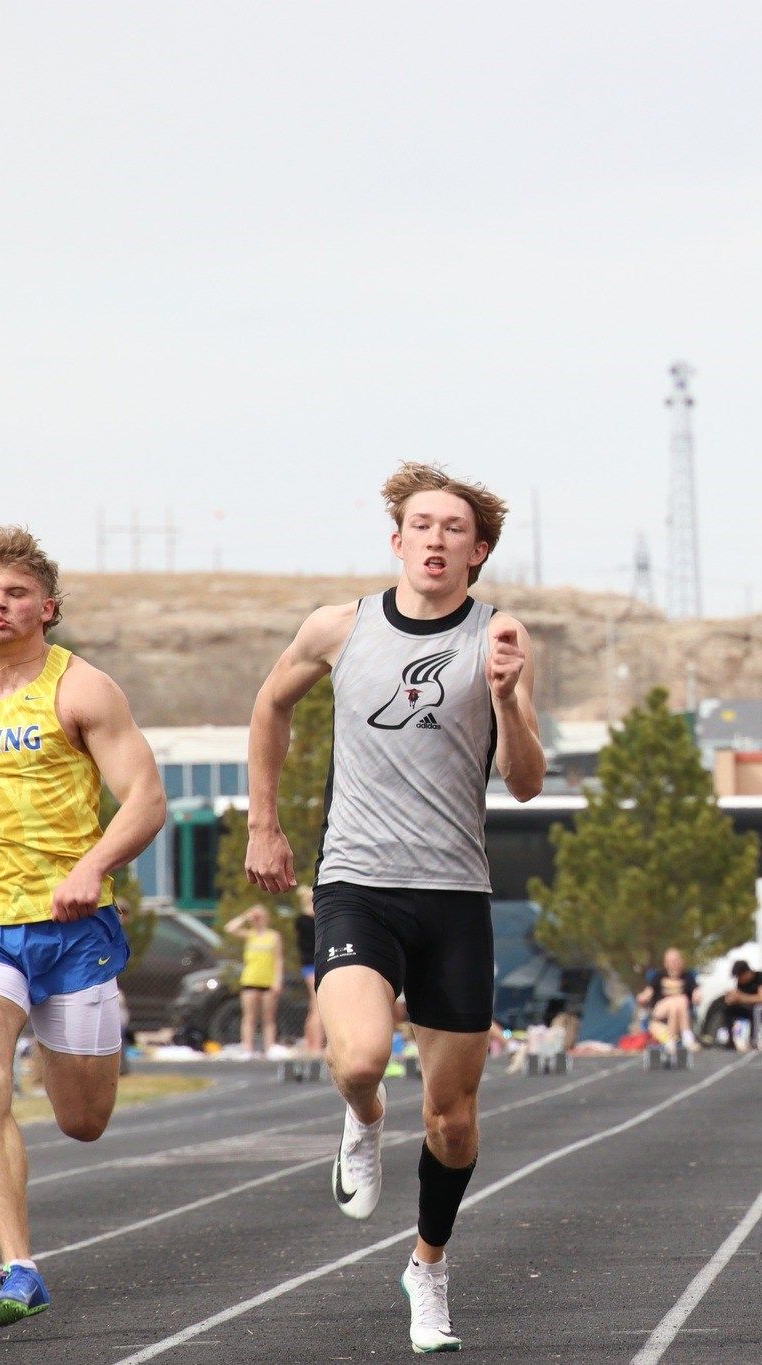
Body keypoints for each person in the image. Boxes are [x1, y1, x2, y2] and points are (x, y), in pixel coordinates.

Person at [245, 463, 544, 1353]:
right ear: (398, 540)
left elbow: (525, 782)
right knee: (362, 1055)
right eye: (422, 524)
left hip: (454, 893)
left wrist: (504, 698)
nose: (437, 538)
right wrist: (265, 822)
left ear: (477, 551)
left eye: (455, 528)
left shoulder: (502, 636)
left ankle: (428, 1265)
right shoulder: (339, 627)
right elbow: (269, 706)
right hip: (357, 882)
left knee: (452, 1121)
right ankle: (365, 1117)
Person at [0, 526, 164, 1325]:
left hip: (69, 924)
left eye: (14, 593)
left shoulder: (83, 689)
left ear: (45, 606)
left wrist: (92, 868)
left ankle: (73, 1077)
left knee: (83, 1120)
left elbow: (146, 799)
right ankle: (19, 1265)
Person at [223, 904, 283, 1058]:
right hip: (250, 979)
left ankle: (269, 1047)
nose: (258, 920)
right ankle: (247, 1048)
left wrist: (277, 980)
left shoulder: (273, 936)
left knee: (268, 1017)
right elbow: (229, 928)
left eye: (260, 917)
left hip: (267, 980)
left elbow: (278, 960)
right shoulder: (250, 935)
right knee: (249, 1016)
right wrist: (245, 917)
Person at [636, 948, 701, 1048]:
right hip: (660, 1010)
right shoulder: (659, 976)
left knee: (676, 1005)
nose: (674, 963)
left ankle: (671, 1039)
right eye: (671, 961)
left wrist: (697, 996)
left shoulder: (688, 976)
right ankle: (686, 1033)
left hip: (679, 1014)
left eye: (676, 960)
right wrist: (642, 997)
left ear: (681, 961)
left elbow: (695, 991)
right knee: (680, 999)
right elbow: (648, 992)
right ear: (665, 963)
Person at [713, 959, 762, 1050]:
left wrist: (741, 997)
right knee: (728, 1008)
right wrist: (731, 999)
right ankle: (730, 1039)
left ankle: (754, 1040)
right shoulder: (740, 983)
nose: (739, 979)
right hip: (751, 1009)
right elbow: (739, 998)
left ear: (747, 973)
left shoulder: (761, 977)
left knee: (758, 1009)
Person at [296, 885, 324, 1054]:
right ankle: (316, 1045)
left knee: (314, 1006)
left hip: (309, 965)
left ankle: (310, 1042)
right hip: (312, 965)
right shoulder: (308, 920)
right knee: (318, 1005)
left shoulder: (301, 920)